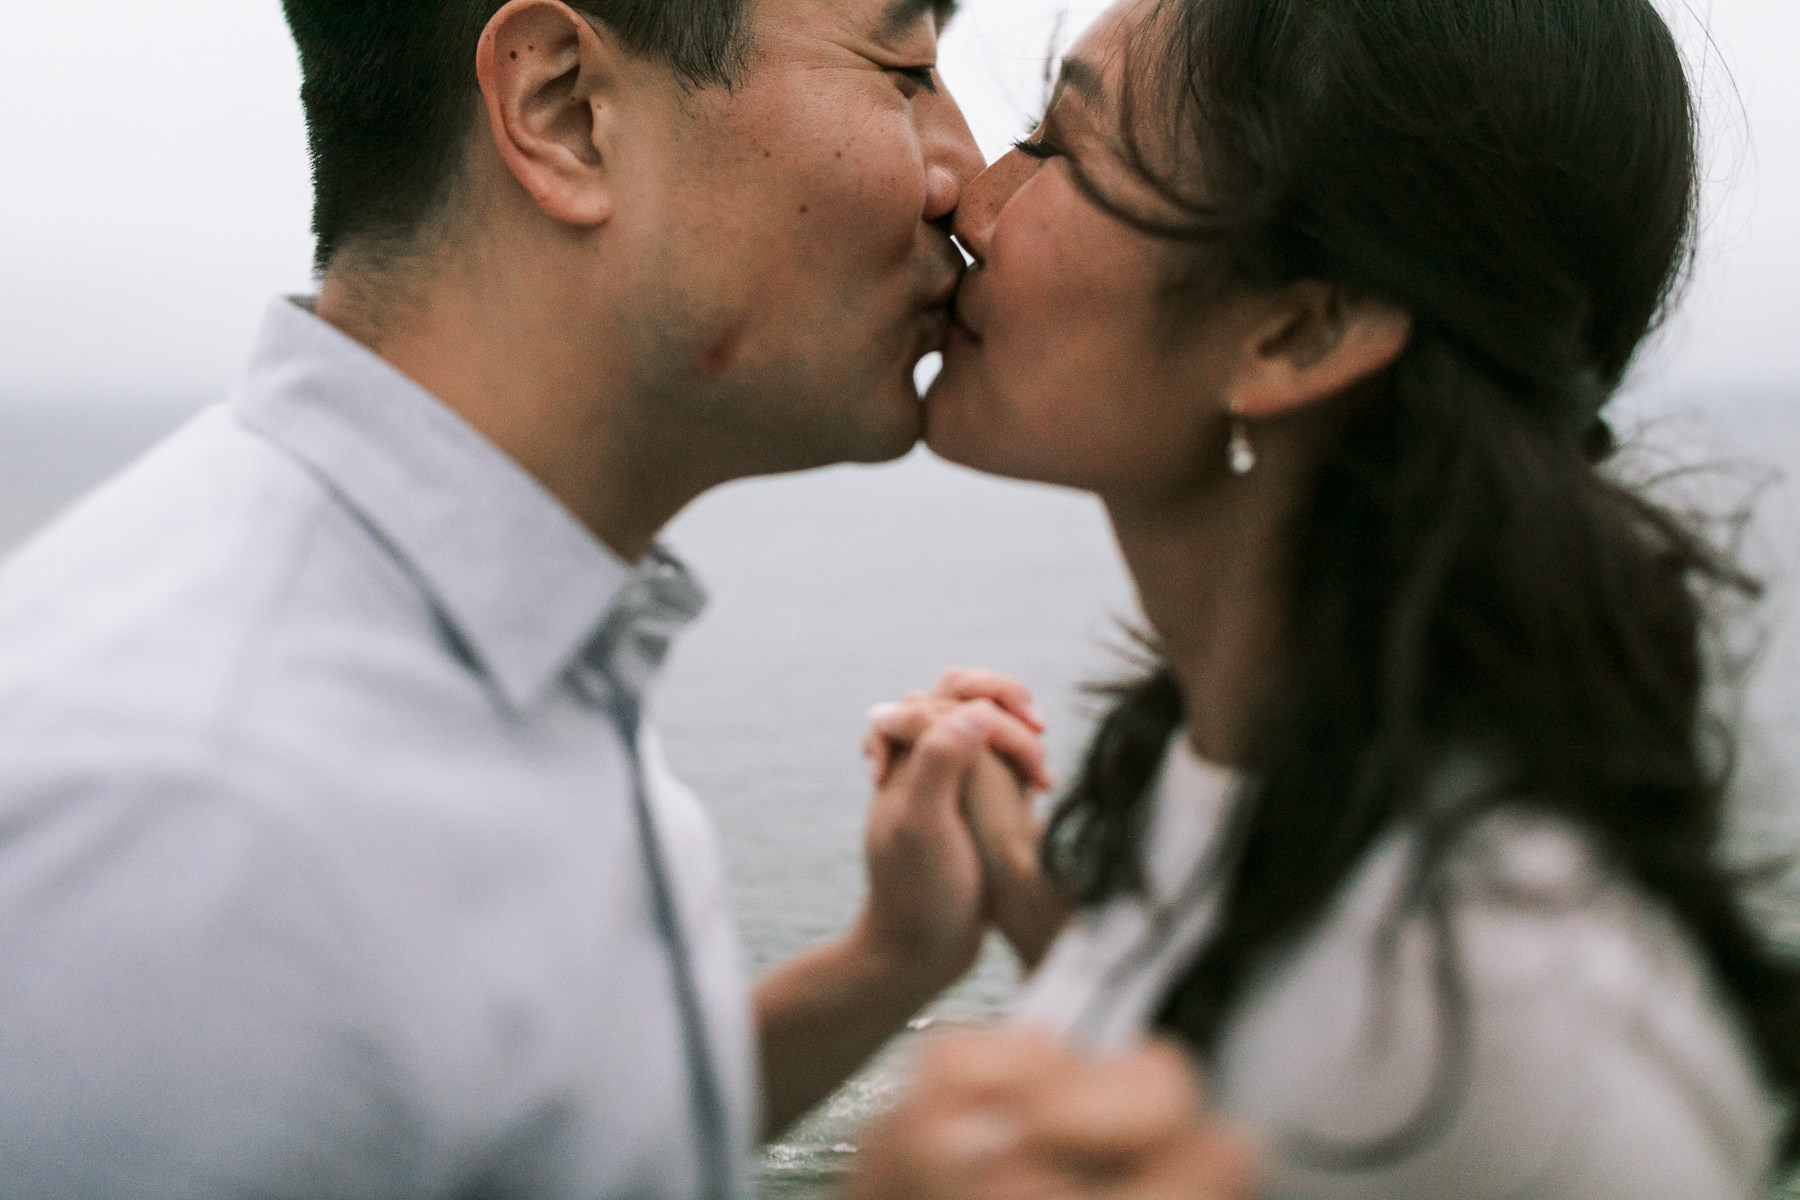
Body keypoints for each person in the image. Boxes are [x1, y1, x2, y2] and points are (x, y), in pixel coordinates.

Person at [0, 1, 1252, 1197]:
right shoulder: (193, 827)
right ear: (565, 111)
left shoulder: (472, 638)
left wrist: (885, 968)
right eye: (906, 71)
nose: (966, 183)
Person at [862, 0, 1800, 1195]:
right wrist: (1017, 895)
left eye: (1061, 150)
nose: (973, 201)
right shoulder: (1253, 789)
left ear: (1301, 332)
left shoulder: (1511, 1022)